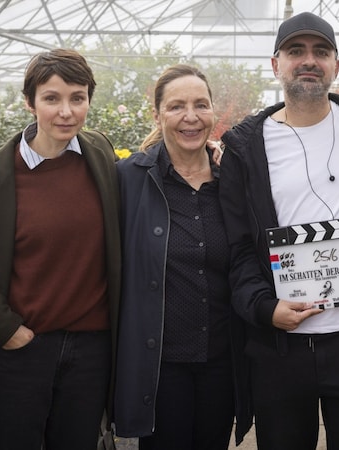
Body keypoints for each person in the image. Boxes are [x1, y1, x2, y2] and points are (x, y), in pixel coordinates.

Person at [0, 49, 122, 450]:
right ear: (29, 102)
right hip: (22, 348)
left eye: (77, 98)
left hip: (91, 350)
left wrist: (206, 154)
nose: (66, 111)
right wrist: (6, 329)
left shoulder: (100, 155)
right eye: (52, 98)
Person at [219, 12, 339, 450]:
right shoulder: (246, 146)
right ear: (275, 64)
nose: (309, 61)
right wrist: (264, 308)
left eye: (321, 51)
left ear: (336, 63)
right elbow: (239, 247)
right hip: (281, 346)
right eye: (296, 51)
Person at [113, 64, 252, 449]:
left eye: (200, 105)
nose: (190, 117)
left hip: (221, 361)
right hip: (160, 365)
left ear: (213, 112)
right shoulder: (128, 180)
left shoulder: (234, 182)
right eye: (176, 107)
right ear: (157, 114)